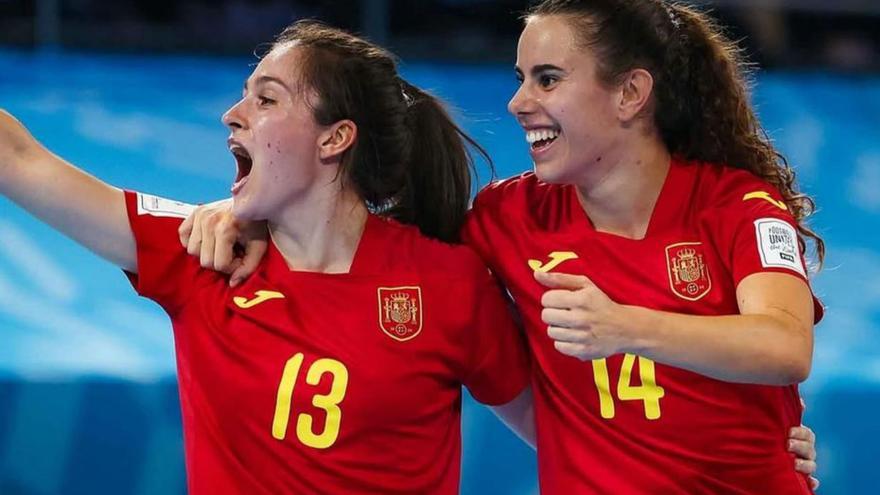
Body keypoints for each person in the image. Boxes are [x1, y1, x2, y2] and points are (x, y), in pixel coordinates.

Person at [183, 1, 825, 493]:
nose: (518, 103)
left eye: (547, 80)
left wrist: (622, 327)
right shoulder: (508, 219)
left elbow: (783, 346)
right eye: (521, 78)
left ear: (630, 93)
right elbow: (359, 233)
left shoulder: (735, 206)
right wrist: (245, 210)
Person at [0, 21, 535, 494]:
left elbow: (557, 429)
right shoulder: (201, 252)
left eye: (266, 99)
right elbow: (18, 158)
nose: (230, 115)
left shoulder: (448, 283)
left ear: (335, 138)